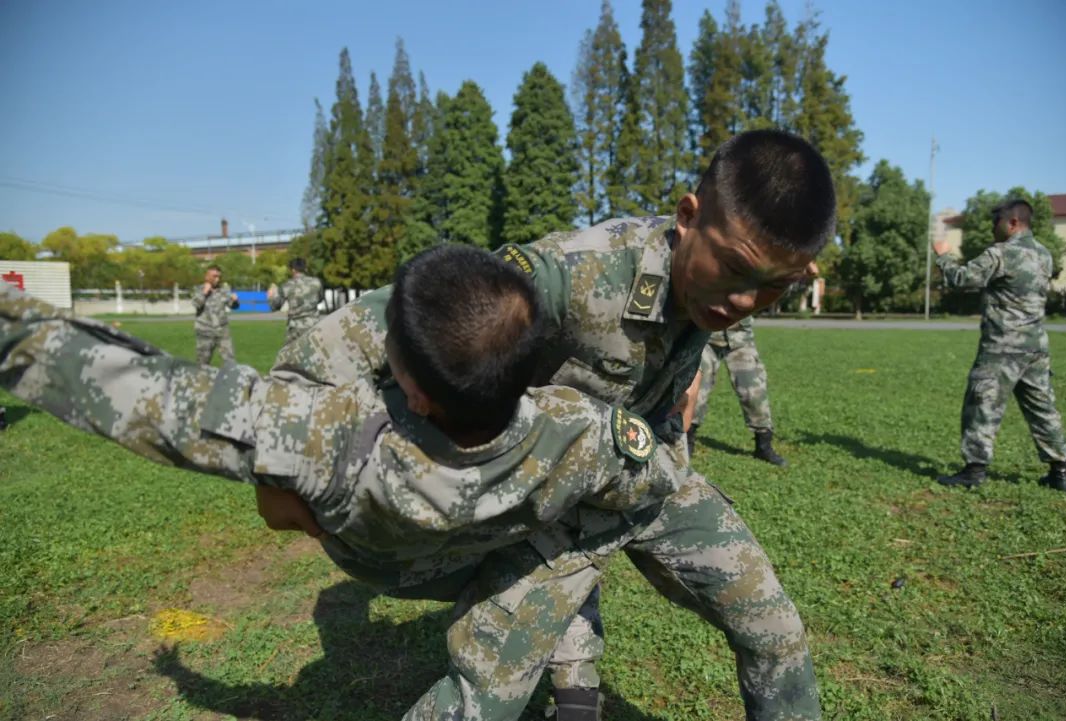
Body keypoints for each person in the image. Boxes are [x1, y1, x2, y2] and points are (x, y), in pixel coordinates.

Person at [0, 246, 821, 721]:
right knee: (582, 577)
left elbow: (143, 397)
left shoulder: (334, 443)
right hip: (525, 548)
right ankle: (572, 674)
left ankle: (571, 676)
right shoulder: (582, 430)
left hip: (388, 559)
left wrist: (15, 337)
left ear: (415, 389)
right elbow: (657, 478)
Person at [269, 129, 836, 719]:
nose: (743, 301)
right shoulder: (579, 271)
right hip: (542, 495)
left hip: (644, 474)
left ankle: (575, 677)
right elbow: (391, 320)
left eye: (771, 286)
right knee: (489, 689)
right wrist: (283, 454)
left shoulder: (711, 288)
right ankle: (570, 678)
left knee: (775, 631)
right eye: (735, 267)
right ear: (688, 217)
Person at [933, 198, 1066, 491]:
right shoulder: (1044, 255)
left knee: (981, 403)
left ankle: (974, 470)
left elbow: (962, 279)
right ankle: (1060, 471)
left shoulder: (1001, 254)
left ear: (1013, 223)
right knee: (1043, 408)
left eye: (996, 223)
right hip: (1036, 348)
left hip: (1002, 348)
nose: (992, 229)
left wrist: (943, 256)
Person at [687, 317, 787, 465]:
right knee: (696, 391)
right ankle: (687, 442)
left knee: (754, 393)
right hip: (705, 336)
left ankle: (763, 446)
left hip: (740, 339)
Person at [267, 257, 324, 345]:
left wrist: (271, 296)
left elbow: (274, 306)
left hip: (295, 329)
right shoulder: (317, 282)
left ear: (293, 270)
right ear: (305, 268)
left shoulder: (287, 286)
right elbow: (320, 299)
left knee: (289, 356)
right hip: (314, 325)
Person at [191, 264, 239, 364]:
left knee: (230, 361)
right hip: (205, 330)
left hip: (222, 330)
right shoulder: (198, 289)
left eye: (219, 277)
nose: (217, 279)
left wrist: (235, 301)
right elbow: (196, 304)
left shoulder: (223, 290)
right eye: (214, 276)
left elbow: (233, 306)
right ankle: (202, 380)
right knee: (202, 362)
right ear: (206, 276)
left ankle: (230, 379)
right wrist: (204, 292)